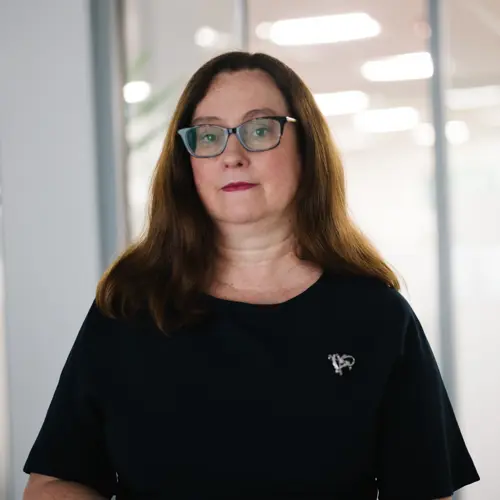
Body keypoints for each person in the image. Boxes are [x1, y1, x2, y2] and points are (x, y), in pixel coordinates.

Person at [23, 51, 479, 500]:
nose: (232, 155)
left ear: (306, 148)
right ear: (188, 162)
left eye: (259, 130)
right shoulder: (132, 306)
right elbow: (55, 482)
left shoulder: (375, 316)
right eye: (208, 136)